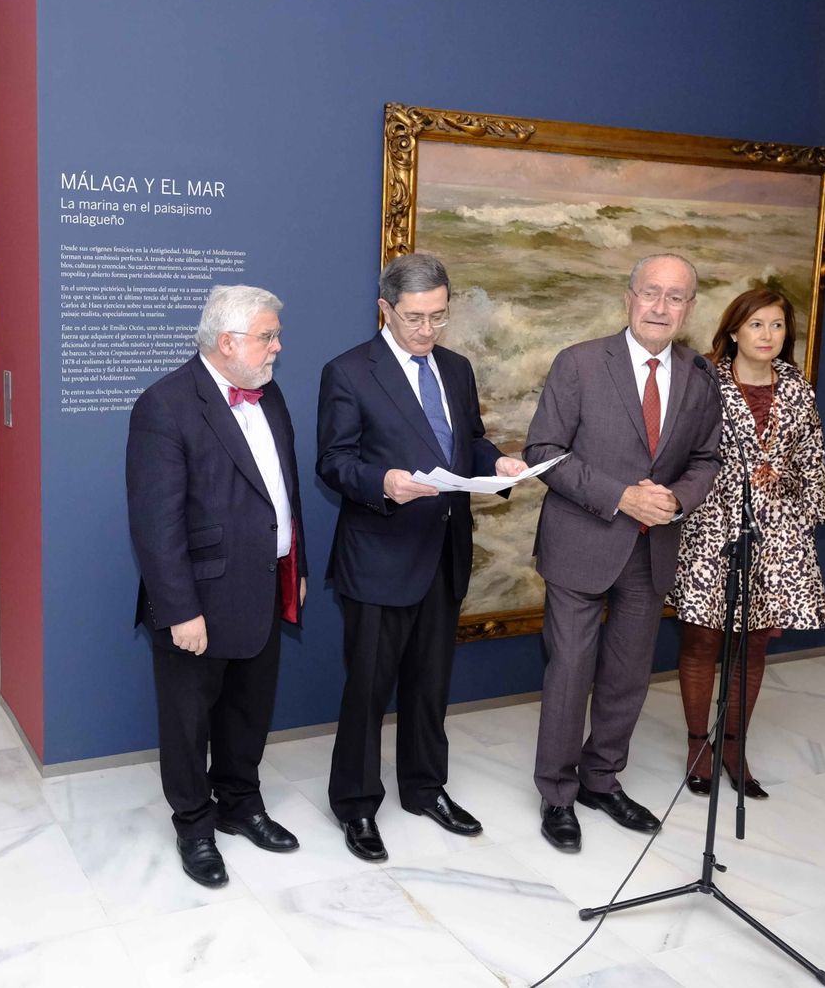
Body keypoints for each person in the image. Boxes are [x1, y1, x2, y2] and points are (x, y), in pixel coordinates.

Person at [317, 252, 527, 862]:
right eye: (414, 318)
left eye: (437, 317)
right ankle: (356, 806)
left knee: (431, 687)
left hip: (444, 552)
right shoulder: (349, 372)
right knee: (367, 691)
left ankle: (425, 789)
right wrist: (383, 482)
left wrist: (499, 463)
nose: (426, 331)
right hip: (380, 556)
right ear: (385, 308)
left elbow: (471, 440)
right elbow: (333, 460)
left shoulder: (456, 369)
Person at [523, 253, 722, 853]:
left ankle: (601, 779)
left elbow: (707, 459)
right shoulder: (579, 363)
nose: (661, 307)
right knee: (570, 671)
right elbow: (545, 450)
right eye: (651, 293)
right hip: (583, 540)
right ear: (628, 298)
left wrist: (677, 501)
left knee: (628, 675)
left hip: (652, 547)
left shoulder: (699, 373)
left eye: (676, 297)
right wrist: (621, 497)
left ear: (689, 308)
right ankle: (557, 793)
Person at [126, 285, 308, 888]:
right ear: (228, 342)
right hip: (198, 600)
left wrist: (295, 565)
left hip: (263, 586)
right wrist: (180, 610)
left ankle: (240, 803)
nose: (278, 346)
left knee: (248, 712)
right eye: (268, 336)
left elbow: (284, 490)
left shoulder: (270, 394)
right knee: (188, 722)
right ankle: (195, 825)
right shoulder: (165, 404)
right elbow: (156, 522)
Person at [671, 288, 825, 799]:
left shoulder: (799, 390)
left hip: (777, 536)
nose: (768, 335)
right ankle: (700, 746)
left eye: (778, 325)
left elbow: (812, 465)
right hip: (712, 528)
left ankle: (734, 748)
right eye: (757, 324)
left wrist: (797, 517)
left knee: (754, 642)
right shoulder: (704, 383)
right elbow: (680, 454)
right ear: (735, 330)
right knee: (702, 641)